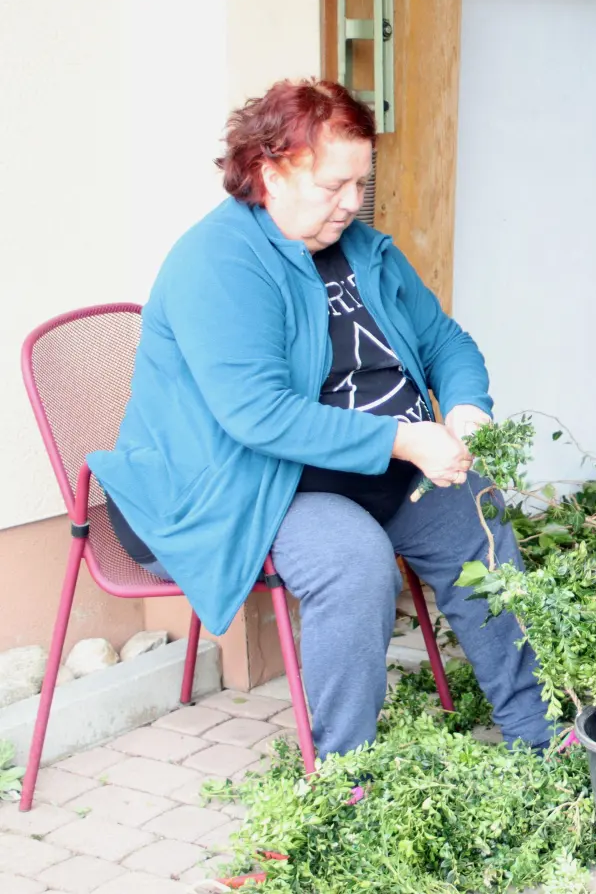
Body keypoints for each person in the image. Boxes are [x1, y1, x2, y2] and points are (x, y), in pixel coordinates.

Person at [89, 79, 552, 755]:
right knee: (353, 560)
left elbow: (443, 341)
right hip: (241, 480)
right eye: (334, 186)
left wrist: (465, 408)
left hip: (354, 465)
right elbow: (257, 415)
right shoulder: (217, 263)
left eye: (360, 184)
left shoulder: (362, 251)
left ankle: (540, 737)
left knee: (472, 511)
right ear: (269, 171)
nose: (351, 204)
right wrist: (402, 438)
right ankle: (343, 782)